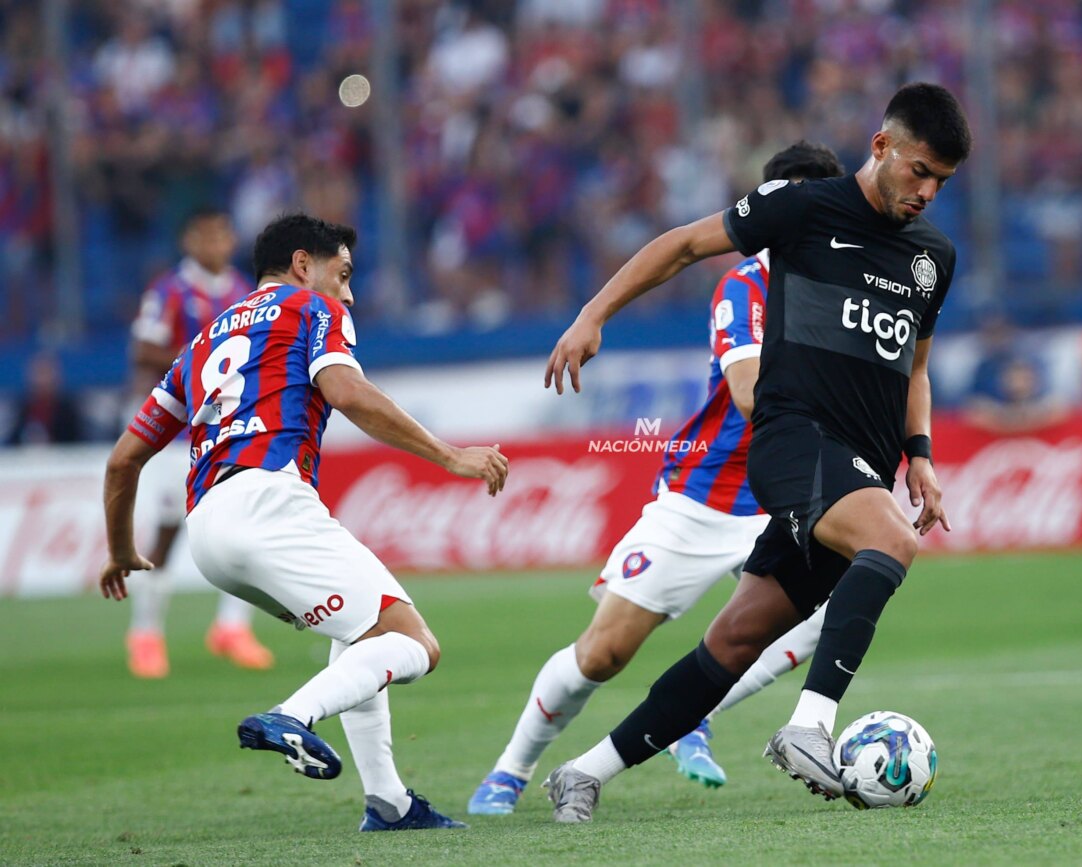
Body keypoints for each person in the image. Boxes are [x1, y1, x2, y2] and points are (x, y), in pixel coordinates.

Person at [540, 82, 970, 822]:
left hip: (859, 467)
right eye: (919, 170)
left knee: (735, 639)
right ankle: (809, 726)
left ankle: (583, 771)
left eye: (941, 181)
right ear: (882, 147)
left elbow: (917, 369)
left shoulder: (932, 257)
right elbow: (679, 246)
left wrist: (920, 455)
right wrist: (592, 313)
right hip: (793, 440)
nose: (926, 191)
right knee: (893, 540)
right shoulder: (804, 208)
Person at [466, 142, 845, 816]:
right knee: (605, 652)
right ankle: (511, 768)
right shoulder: (747, 286)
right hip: (706, 496)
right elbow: (753, 393)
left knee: (821, 616)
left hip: (783, 498)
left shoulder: (844, 291)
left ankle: (695, 713)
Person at [98, 213, 509, 831]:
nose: (349, 292)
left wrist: (120, 550)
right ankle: (292, 715)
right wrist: (451, 454)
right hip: (270, 504)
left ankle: (389, 804)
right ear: (301, 264)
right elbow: (346, 391)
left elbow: (124, 459)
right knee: (415, 644)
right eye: (342, 274)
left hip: (208, 530)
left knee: (359, 633)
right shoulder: (309, 308)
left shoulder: (202, 340)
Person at [124, 207, 273, 678]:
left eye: (222, 236)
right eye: (205, 236)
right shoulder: (169, 291)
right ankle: (145, 633)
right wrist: (200, 355)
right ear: (189, 240)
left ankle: (231, 627)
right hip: (178, 433)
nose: (214, 245)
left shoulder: (240, 291)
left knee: (241, 524)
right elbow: (143, 350)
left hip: (228, 429)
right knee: (169, 532)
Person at [4, 353, 84, 445]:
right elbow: (12, 441)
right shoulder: (23, 408)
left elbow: (77, 442)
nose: (42, 380)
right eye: (38, 374)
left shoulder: (68, 409)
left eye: (46, 373)